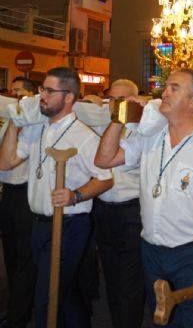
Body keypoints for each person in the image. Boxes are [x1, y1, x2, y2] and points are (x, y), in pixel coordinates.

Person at [95, 68, 193, 328]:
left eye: (174, 88)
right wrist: (118, 117)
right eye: (166, 87)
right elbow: (104, 159)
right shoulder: (151, 136)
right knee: (163, 320)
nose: (164, 92)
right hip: (152, 251)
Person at [0, 67, 113, 328]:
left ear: (69, 97)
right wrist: (15, 124)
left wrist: (75, 195)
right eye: (42, 90)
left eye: (49, 91)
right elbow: (6, 162)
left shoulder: (83, 137)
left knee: (47, 296)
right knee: (64, 293)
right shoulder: (37, 129)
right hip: (38, 224)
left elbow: (105, 177)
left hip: (69, 225)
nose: (42, 96)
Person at [93, 78, 145, 328]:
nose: (115, 104)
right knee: (111, 277)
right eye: (111, 99)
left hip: (131, 212)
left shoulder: (143, 131)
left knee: (129, 281)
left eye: (121, 100)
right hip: (103, 210)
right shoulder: (102, 126)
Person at [0, 77, 37, 328]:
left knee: (25, 258)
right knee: (10, 254)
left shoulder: (36, 123)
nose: (15, 95)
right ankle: (15, 303)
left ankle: (19, 316)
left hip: (27, 194)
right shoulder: (7, 122)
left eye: (20, 92)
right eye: (12, 91)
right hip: (8, 194)